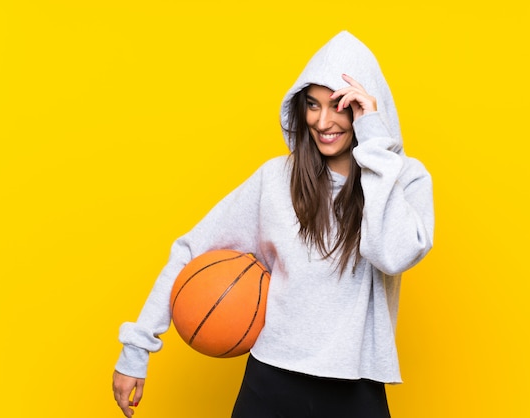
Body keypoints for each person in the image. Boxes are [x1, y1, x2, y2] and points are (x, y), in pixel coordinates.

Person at [112, 31, 434, 418]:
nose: (322, 120)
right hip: (272, 381)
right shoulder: (275, 180)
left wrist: (375, 144)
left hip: (356, 388)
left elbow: (393, 254)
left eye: (340, 106)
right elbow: (190, 250)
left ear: (365, 109)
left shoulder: (403, 178)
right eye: (312, 105)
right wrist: (136, 349)